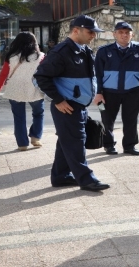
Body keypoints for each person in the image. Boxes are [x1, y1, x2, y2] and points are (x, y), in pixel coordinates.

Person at [33, 15, 110, 192]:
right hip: (67, 106)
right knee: (76, 143)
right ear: (76, 30)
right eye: (90, 32)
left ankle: (60, 177)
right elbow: (41, 77)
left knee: (66, 142)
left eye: (95, 32)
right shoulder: (61, 52)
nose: (94, 36)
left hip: (78, 106)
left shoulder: (84, 50)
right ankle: (87, 179)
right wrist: (58, 100)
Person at [93, 21, 139, 156]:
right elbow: (97, 74)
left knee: (131, 120)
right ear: (114, 34)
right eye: (120, 32)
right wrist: (98, 93)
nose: (124, 35)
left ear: (132, 35)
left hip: (132, 92)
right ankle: (108, 145)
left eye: (127, 33)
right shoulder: (104, 51)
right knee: (107, 120)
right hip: (108, 93)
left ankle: (129, 146)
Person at [0, 32, 45, 151]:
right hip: (34, 89)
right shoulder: (40, 56)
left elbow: (4, 74)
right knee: (38, 113)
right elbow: (45, 73)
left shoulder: (10, 56)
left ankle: (22, 143)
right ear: (33, 42)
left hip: (14, 89)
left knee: (19, 117)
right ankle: (36, 137)